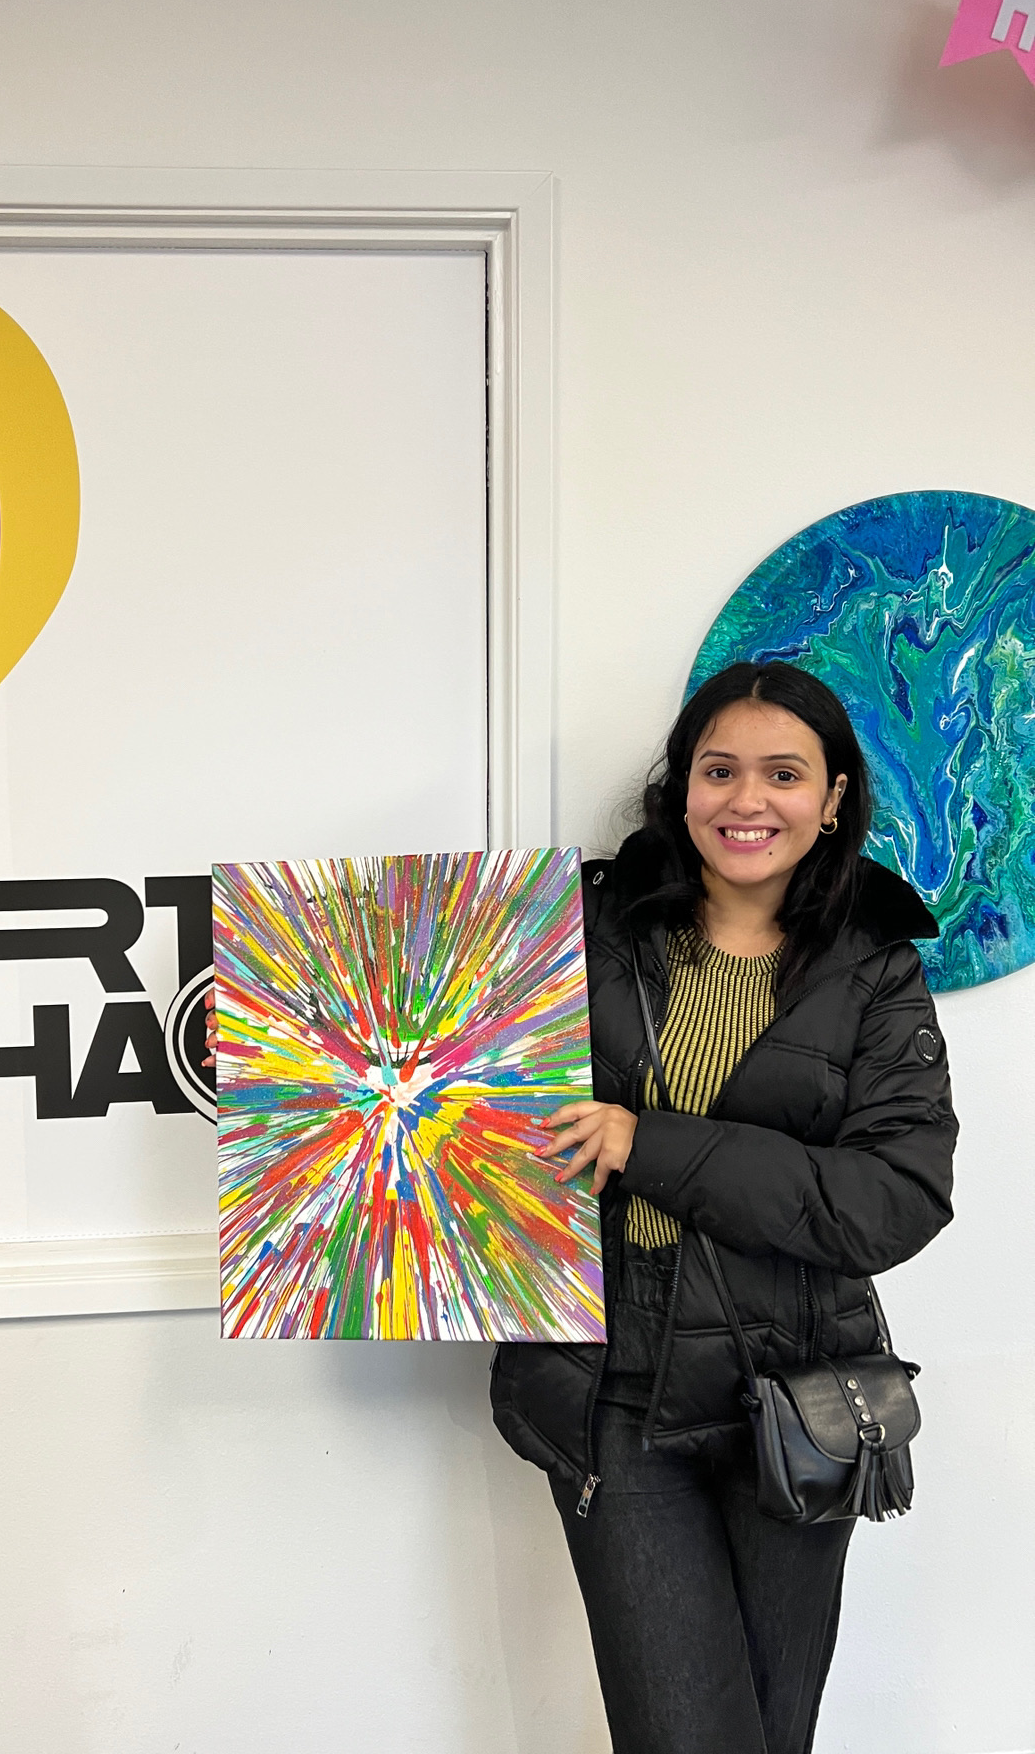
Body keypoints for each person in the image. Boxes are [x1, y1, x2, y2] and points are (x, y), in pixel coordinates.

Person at [206, 659, 957, 1754]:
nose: (747, 800)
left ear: (834, 796)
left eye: (784, 774)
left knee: (770, 1736)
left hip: (798, 1394)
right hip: (615, 1386)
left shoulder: (876, 970)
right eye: (719, 770)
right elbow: (419, 1054)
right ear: (681, 786)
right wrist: (294, 1039)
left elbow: (891, 1200)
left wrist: (648, 1144)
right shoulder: (577, 928)